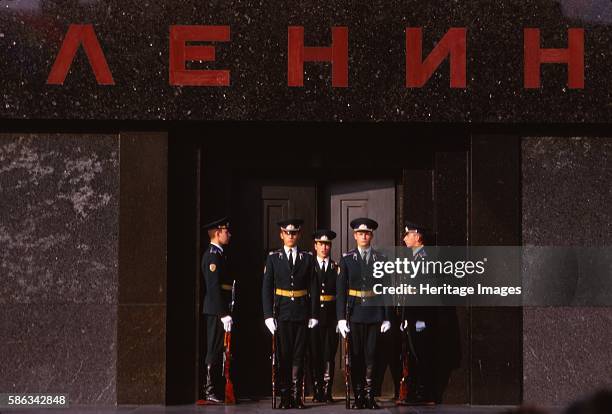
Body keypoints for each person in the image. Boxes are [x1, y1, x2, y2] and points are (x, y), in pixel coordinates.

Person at [398, 222, 461, 405]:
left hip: (423, 317)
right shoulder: (413, 258)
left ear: (417, 237)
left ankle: (427, 394)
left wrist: (421, 319)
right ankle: (417, 392)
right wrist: (405, 317)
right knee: (415, 355)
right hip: (413, 316)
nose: (404, 238)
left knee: (424, 356)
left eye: (407, 235)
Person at [262, 219, 320, 409]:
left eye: (294, 233)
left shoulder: (307, 258)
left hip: (302, 312)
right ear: (281, 235)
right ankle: (285, 395)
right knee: (284, 355)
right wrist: (268, 316)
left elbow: (314, 287)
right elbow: (267, 288)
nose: (290, 236)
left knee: (299, 355)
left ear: (299, 235)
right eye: (287, 233)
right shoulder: (273, 258)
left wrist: (313, 314)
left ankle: (297, 396)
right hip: (282, 312)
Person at [336, 217, 392, 410]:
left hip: (374, 313)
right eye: (360, 233)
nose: (364, 236)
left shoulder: (381, 259)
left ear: (371, 235)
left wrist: (386, 316)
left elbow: (385, 289)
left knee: (372, 355)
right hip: (355, 313)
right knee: (356, 355)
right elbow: (341, 290)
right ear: (354, 235)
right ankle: (358, 394)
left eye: (367, 233)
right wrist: (341, 318)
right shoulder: (347, 259)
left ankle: (369, 395)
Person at [198, 217, 234, 405]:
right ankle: (209, 389)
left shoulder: (220, 254)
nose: (229, 234)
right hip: (215, 310)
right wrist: (223, 314)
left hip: (220, 307)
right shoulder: (212, 255)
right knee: (214, 348)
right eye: (226, 231)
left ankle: (215, 388)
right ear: (217, 233)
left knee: (221, 348)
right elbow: (213, 288)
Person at [309, 229, 340, 403]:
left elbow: (339, 294)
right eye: (321, 244)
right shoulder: (309, 266)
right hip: (313, 317)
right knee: (315, 354)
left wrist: (339, 318)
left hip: (330, 318)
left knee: (329, 354)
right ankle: (317, 390)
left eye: (327, 244)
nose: (324, 247)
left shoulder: (336, 268)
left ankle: (327, 391)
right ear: (315, 246)